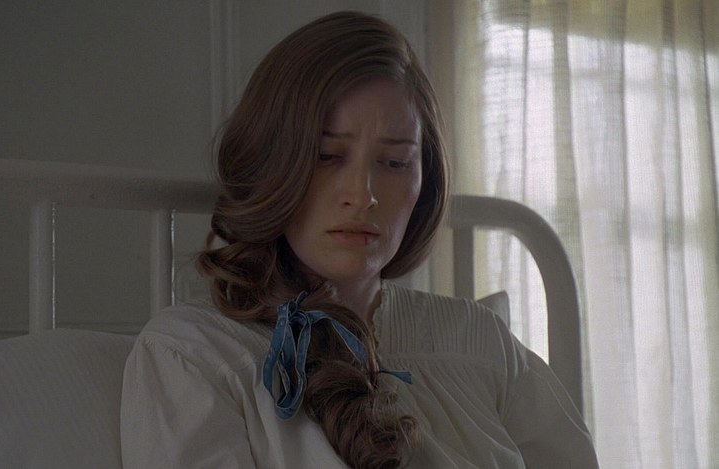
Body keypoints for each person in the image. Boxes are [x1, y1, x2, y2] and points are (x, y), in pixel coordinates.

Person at [120, 11, 598, 469]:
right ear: (272, 163)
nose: (363, 195)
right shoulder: (194, 355)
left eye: (394, 163)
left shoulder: (483, 344)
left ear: (425, 182)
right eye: (327, 156)